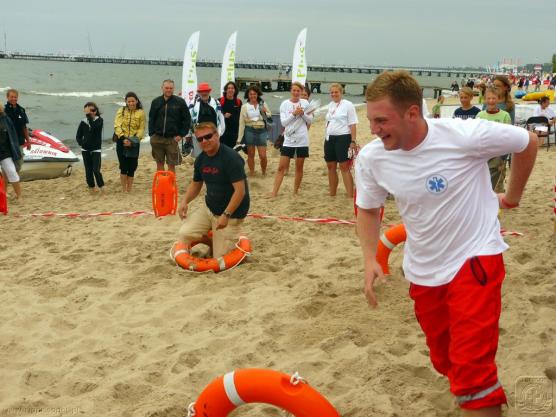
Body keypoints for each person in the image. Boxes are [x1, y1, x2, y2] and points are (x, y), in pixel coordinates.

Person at [356, 70, 537, 417]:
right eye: (371, 121)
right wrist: (369, 258)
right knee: (445, 360)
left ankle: (478, 395)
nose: (374, 130)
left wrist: (512, 197)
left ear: (412, 113)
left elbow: (527, 142)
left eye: (381, 121)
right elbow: (367, 208)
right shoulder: (373, 157)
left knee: (472, 374)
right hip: (424, 270)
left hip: (476, 258)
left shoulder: (464, 135)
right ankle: (474, 394)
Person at [177, 122, 249, 259]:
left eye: (208, 136)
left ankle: (227, 237)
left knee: (220, 258)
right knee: (184, 233)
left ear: (217, 135)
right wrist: (184, 201)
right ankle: (213, 238)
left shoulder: (231, 158)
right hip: (210, 209)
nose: (204, 141)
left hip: (232, 214)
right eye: (200, 139)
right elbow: (196, 184)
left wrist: (226, 215)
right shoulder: (200, 159)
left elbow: (240, 191)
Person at [271, 82, 313, 197]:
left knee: (299, 168)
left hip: (302, 140)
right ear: (290, 91)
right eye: (294, 90)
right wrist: (294, 114)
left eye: (298, 91)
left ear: (301, 92)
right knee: (281, 167)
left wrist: (302, 113)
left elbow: (310, 121)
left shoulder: (305, 103)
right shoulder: (285, 104)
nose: (296, 93)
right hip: (288, 140)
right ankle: (274, 192)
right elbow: (284, 123)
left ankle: (295, 191)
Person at [148, 79, 191, 172]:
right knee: (159, 165)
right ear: (162, 88)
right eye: (166, 88)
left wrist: (181, 134)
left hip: (172, 139)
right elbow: (151, 119)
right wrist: (152, 134)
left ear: (174, 88)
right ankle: (162, 181)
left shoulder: (180, 102)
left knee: (171, 166)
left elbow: (187, 120)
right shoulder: (156, 101)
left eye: (171, 88)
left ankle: (171, 182)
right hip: (157, 138)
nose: (169, 90)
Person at [324, 83, 358, 197]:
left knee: (344, 166)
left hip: (343, 137)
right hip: (329, 138)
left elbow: (353, 124)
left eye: (336, 92)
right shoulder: (330, 105)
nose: (334, 94)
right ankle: (332, 194)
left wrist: (353, 141)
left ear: (341, 92)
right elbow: (329, 121)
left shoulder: (348, 105)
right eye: (332, 92)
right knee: (330, 166)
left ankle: (350, 195)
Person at [477, 87, 512, 192]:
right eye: (488, 98)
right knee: (482, 183)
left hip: (498, 155)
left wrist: (503, 158)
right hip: (483, 155)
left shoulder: (505, 116)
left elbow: (508, 138)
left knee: (498, 185)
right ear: (485, 99)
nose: (491, 101)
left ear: (498, 99)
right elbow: (475, 136)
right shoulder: (480, 115)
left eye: (493, 98)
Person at [113, 92, 146, 192]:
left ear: (136, 101)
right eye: (129, 101)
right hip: (121, 141)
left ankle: (129, 189)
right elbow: (117, 125)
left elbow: (141, 128)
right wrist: (123, 138)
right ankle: (124, 189)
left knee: (132, 167)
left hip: (134, 142)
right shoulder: (121, 110)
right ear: (126, 102)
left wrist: (133, 141)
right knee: (123, 166)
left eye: (133, 101)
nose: (131, 103)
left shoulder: (141, 112)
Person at [237, 85, 271, 176]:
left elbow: (269, 117)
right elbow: (241, 123)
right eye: (250, 94)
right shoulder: (244, 106)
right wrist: (239, 138)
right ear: (248, 95)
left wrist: (265, 112)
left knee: (263, 155)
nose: (253, 96)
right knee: (251, 154)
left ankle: (264, 172)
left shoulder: (263, 104)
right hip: (249, 130)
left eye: (254, 94)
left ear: (257, 94)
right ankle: (252, 173)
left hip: (261, 130)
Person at [187, 82, 226, 158]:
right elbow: (188, 119)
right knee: (199, 156)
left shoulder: (216, 102)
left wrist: (220, 133)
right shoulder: (193, 103)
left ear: (209, 91)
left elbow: (221, 118)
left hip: (212, 135)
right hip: (198, 135)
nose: (204, 93)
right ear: (199, 92)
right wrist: (188, 134)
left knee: (213, 154)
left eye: (206, 91)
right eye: (202, 91)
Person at [76, 102, 105, 193]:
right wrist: (82, 143)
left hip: (96, 149)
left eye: (93, 110)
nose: (92, 112)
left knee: (96, 170)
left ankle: (101, 186)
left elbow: (94, 127)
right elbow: (78, 136)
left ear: (96, 111)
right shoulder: (83, 122)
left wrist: (89, 115)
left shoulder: (99, 120)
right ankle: (91, 187)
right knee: (88, 170)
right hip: (85, 150)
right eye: (89, 111)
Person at [4, 89, 31, 173]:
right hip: (7, 142)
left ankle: (13, 177)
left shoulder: (21, 110)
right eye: (11, 97)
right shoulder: (3, 111)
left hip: (19, 141)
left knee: (19, 164)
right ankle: (8, 179)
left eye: (15, 97)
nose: (13, 99)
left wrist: (28, 141)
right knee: (7, 164)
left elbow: (24, 127)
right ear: (7, 97)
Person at [0, 103, 22, 200]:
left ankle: (19, 195)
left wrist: (15, 149)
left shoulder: (5, 119)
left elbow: (12, 135)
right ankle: (3, 194)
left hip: (5, 151)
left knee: (12, 171)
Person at [219, 81, 242, 149]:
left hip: (234, 132)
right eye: (228, 88)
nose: (230, 90)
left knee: (232, 152)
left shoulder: (238, 102)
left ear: (235, 90)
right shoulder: (219, 101)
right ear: (226, 90)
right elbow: (215, 116)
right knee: (222, 151)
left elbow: (241, 117)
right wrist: (223, 116)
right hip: (222, 132)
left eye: (232, 88)